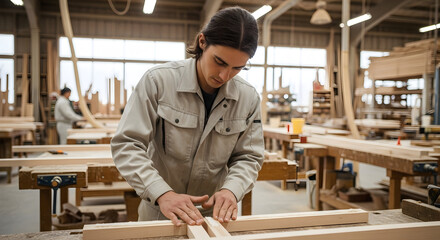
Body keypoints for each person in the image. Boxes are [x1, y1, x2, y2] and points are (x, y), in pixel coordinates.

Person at [111, 6, 264, 227]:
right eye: (219, 62)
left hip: (214, 217)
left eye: (237, 68)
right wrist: (162, 193)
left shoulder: (248, 98)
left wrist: (231, 190)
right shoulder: (158, 82)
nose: (224, 75)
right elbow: (127, 144)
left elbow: (248, 157)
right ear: (202, 42)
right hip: (160, 211)